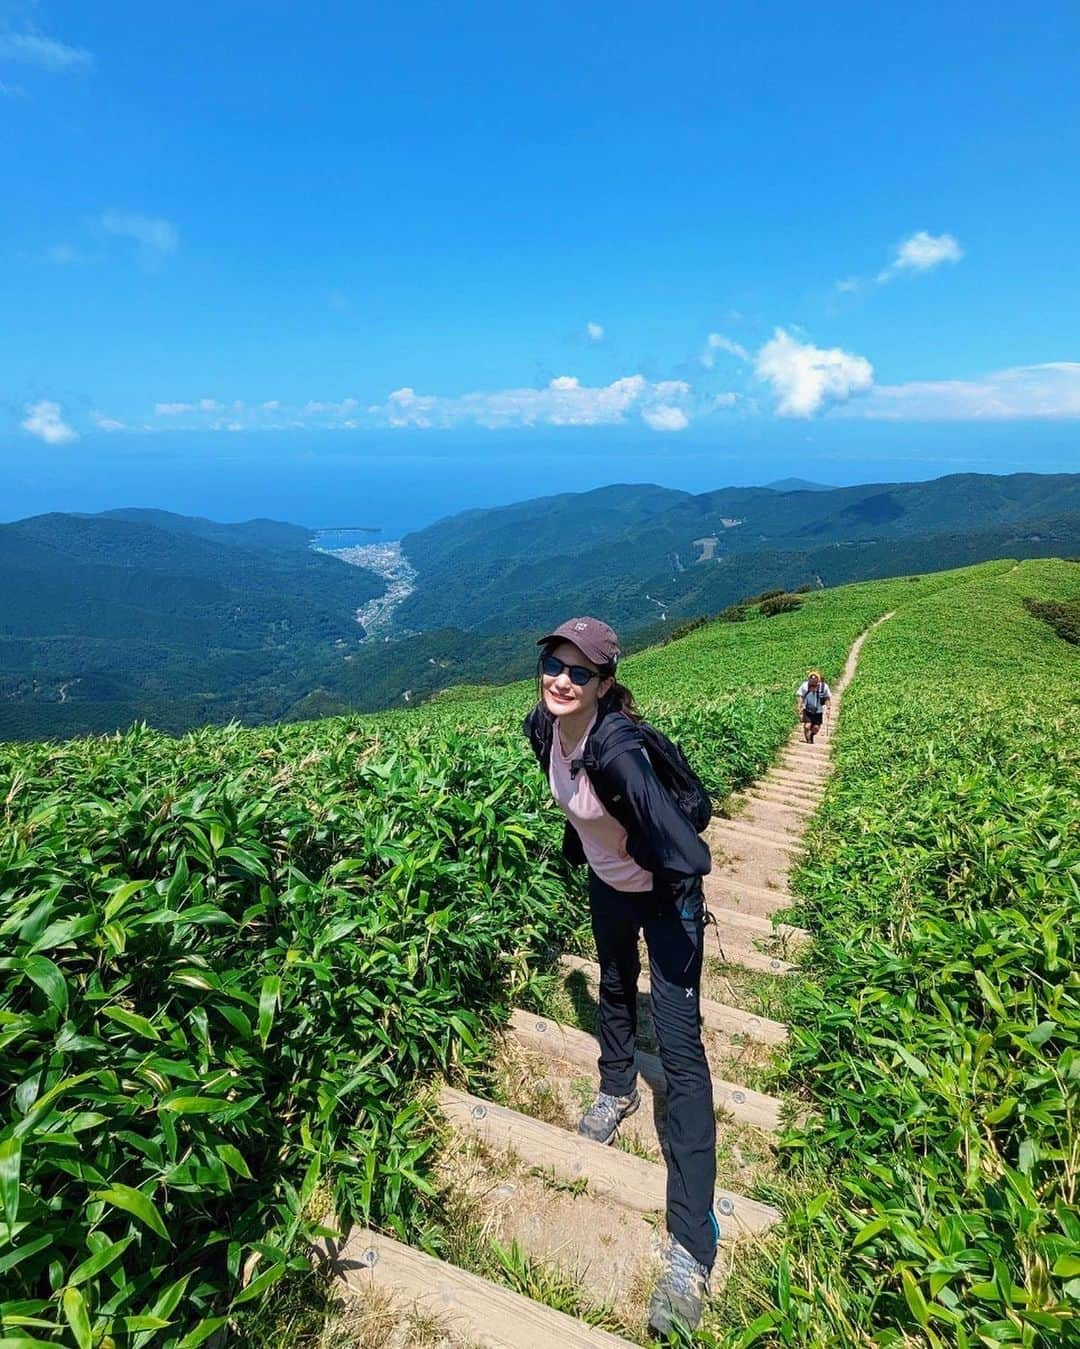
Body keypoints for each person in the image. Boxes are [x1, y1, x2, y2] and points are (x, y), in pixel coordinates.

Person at [523, 616, 718, 1335]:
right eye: (553, 662)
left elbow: (688, 852)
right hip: (608, 887)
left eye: (579, 672)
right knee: (610, 979)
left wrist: (663, 891)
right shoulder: (545, 726)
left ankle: (693, 1246)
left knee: (681, 1051)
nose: (561, 680)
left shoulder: (620, 751)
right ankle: (616, 1088)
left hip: (666, 898)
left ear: (605, 683)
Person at [796, 670, 831, 742]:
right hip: (807, 709)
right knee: (807, 726)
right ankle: (808, 740)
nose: (813, 685)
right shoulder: (804, 686)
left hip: (818, 711)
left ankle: (811, 735)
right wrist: (799, 706)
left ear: (818, 681)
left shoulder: (824, 687)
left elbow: (827, 698)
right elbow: (801, 696)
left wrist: (828, 708)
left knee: (816, 728)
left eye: (815, 682)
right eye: (811, 682)